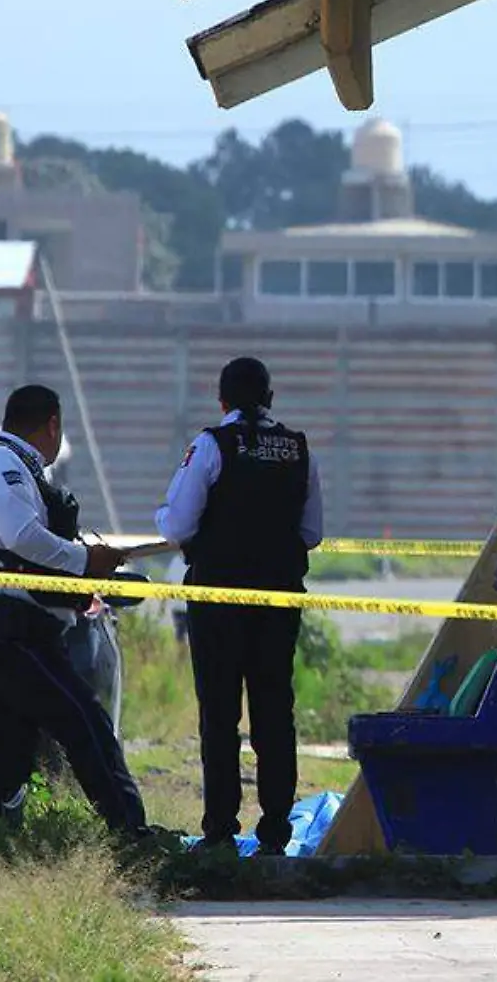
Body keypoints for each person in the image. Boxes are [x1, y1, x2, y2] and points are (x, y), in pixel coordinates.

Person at [0, 385, 150, 841]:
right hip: (7, 627)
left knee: (6, 749)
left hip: (13, 628)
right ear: (52, 425)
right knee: (85, 723)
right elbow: (21, 536)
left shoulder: (19, 470)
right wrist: (85, 561)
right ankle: (131, 833)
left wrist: (85, 558)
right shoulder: (1, 465)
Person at [156, 357, 323, 856]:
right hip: (278, 601)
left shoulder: (211, 445)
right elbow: (312, 533)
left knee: (220, 714)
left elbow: (178, 526)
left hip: (218, 601)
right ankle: (275, 833)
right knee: (275, 714)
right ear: (271, 399)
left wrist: (166, 517)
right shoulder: (299, 449)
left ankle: (221, 833)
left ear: (221, 400)